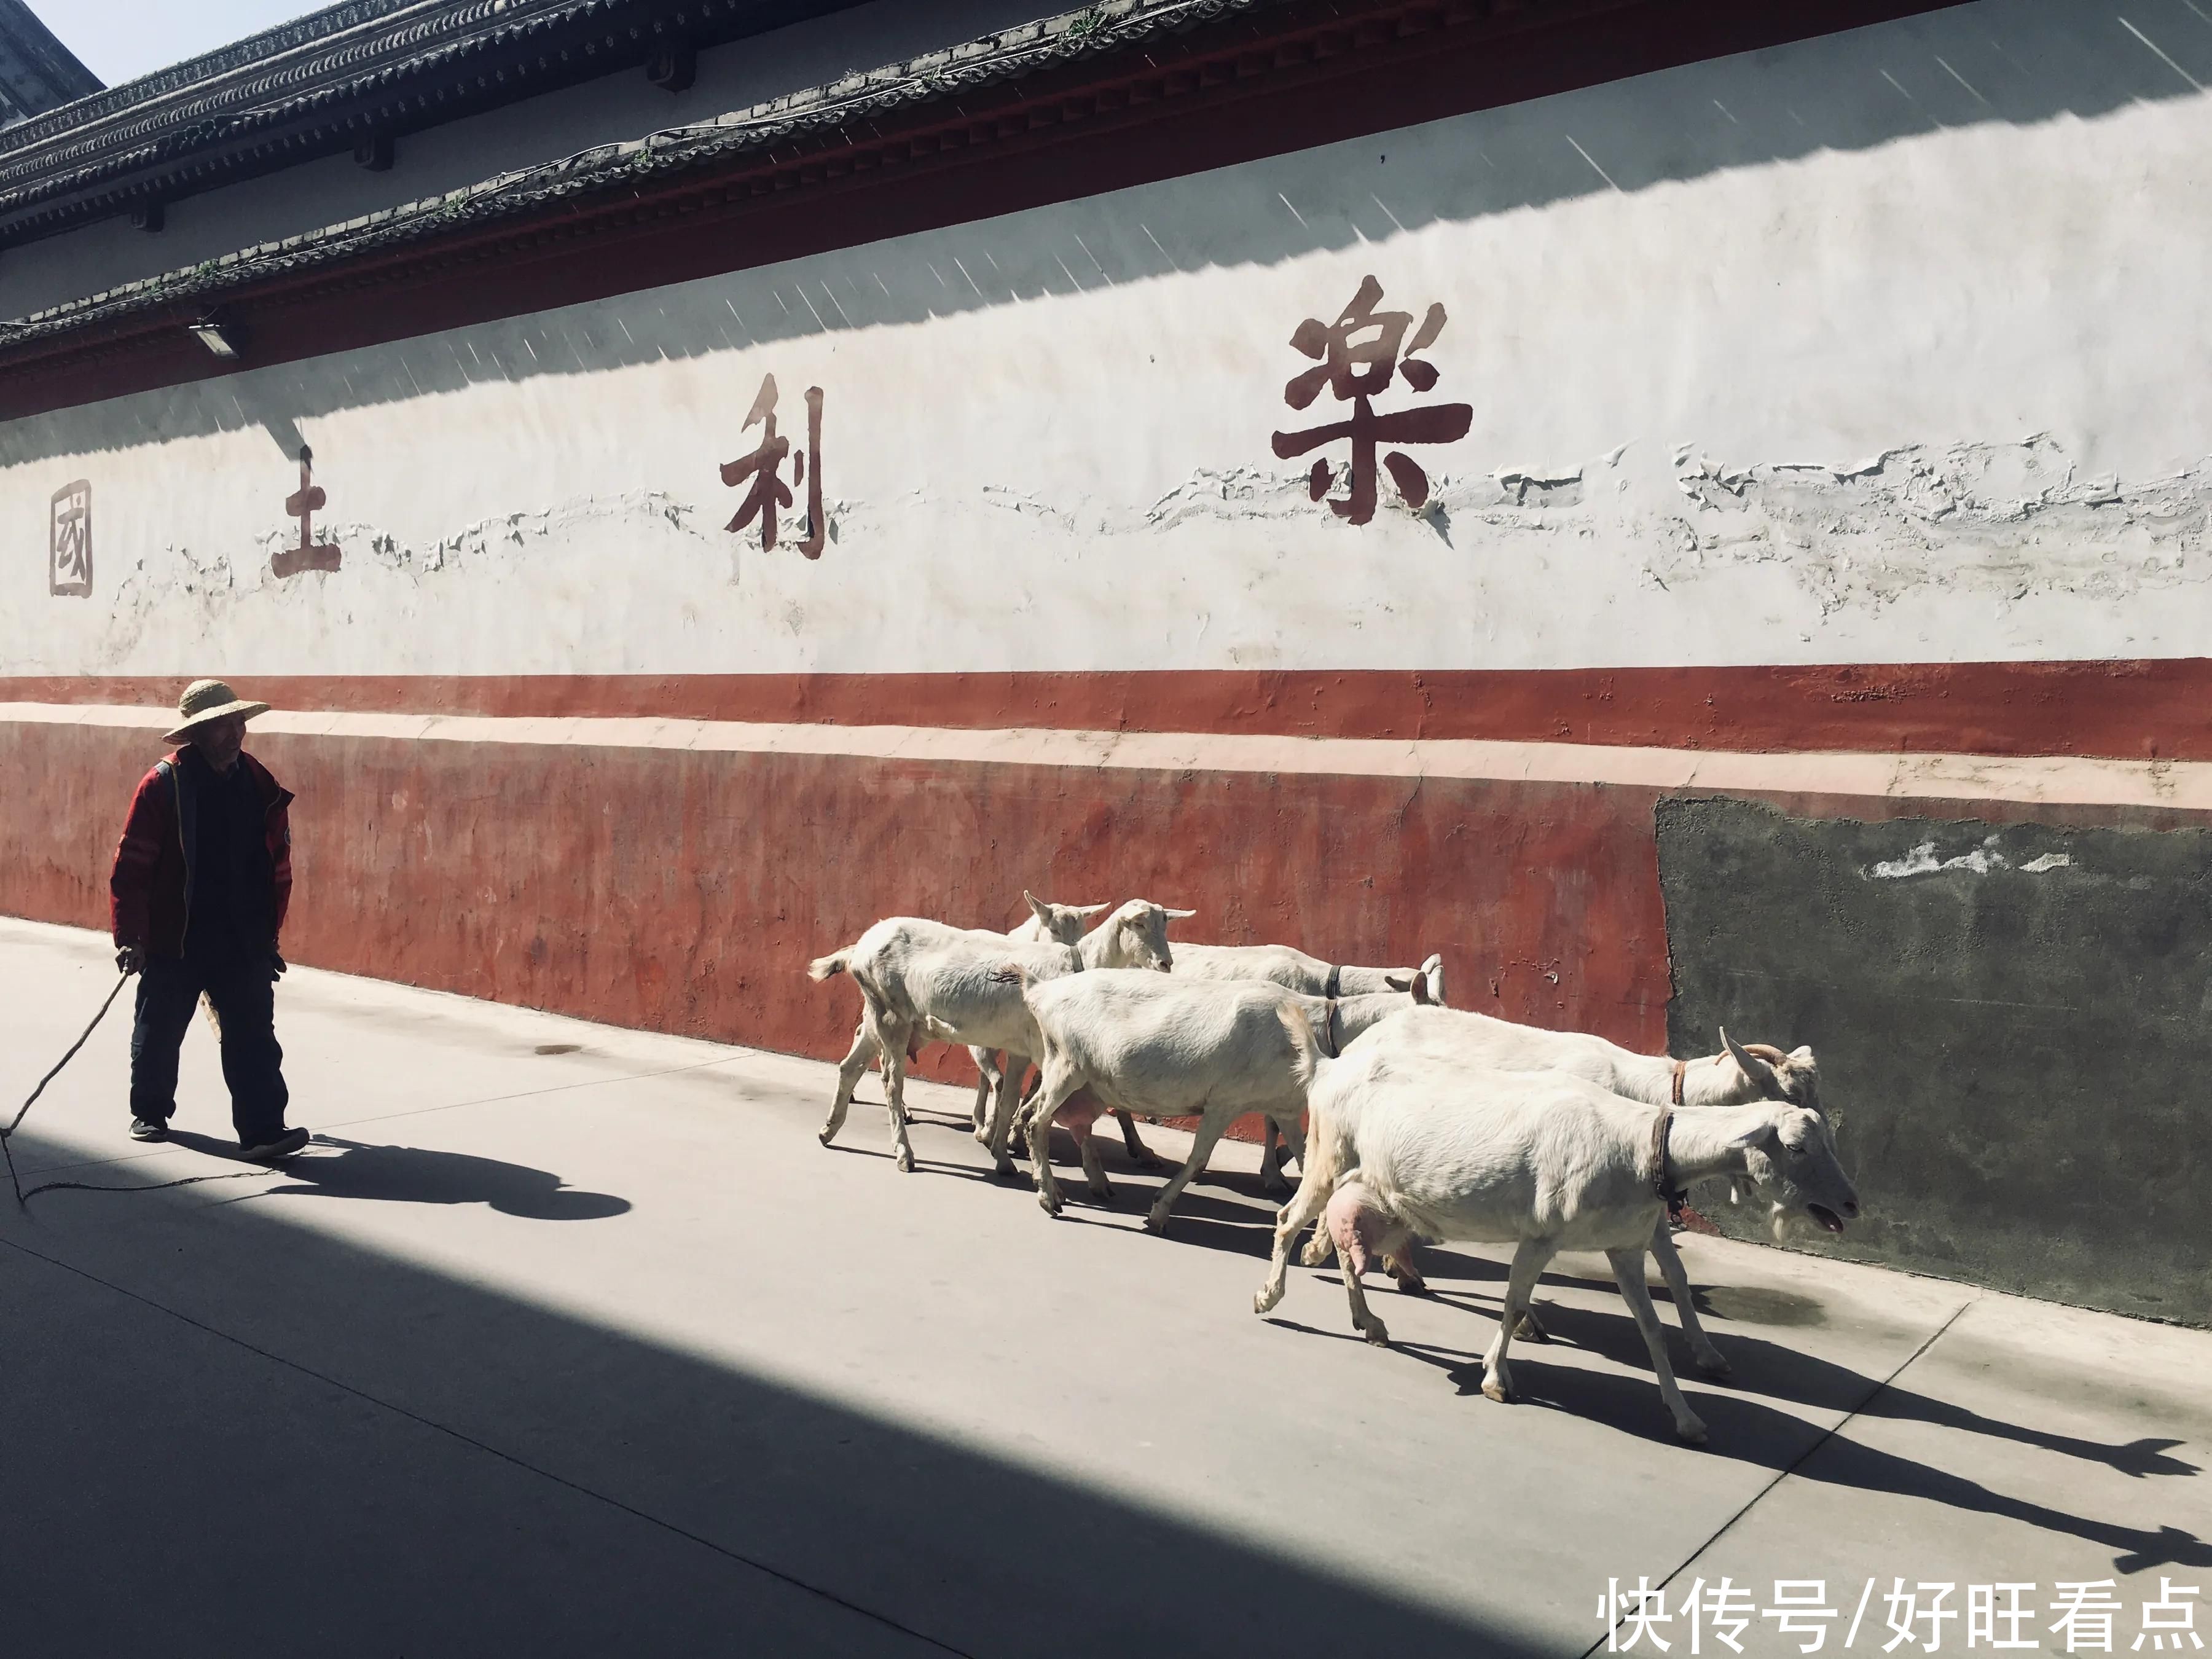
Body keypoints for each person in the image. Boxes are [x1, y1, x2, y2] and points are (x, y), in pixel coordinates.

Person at [110, 679, 309, 1160]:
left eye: (237, 723)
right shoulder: (163, 785)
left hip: (242, 935)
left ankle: (264, 1130)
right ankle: (151, 1111)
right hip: (176, 936)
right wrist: (132, 936)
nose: (235, 733)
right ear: (198, 734)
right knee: (159, 1028)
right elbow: (131, 868)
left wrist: (269, 936)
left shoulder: (259, 782)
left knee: (254, 1033)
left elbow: (275, 865)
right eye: (222, 726)